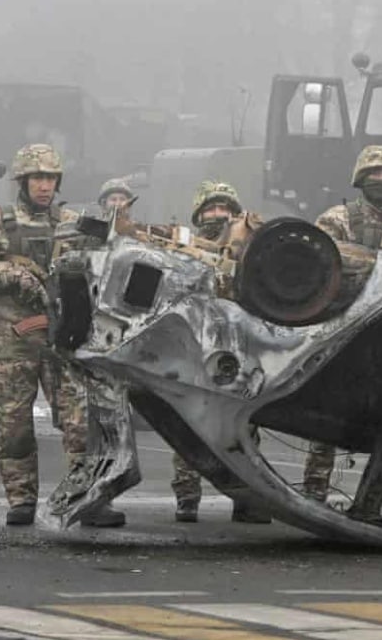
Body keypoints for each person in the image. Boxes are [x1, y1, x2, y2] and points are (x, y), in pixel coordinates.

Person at [0, 144, 119, 527]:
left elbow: (107, 264)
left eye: (50, 179)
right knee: (14, 427)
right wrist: (11, 274)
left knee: (80, 425)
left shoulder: (73, 222)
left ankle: (88, 499)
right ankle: (21, 499)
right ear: (23, 181)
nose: (44, 186)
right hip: (14, 341)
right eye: (37, 179)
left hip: (64, 340)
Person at [304, 146, 382, 521]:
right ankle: (314, 492)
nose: (381, 180)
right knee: (327, 416)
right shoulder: (336, 221)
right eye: (374, 173)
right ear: (361, 178)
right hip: (343, 331)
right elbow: (319, 272)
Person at [171, 181, 271, 524]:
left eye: (224, 208)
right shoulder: (181, 248)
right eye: (211, 209)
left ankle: (248, 500)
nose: (218, 215)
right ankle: (187, 497)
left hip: (240, 347)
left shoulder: (250, 248)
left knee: (245, 426)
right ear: (199, 215)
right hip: (195, 346)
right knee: (188, 420)